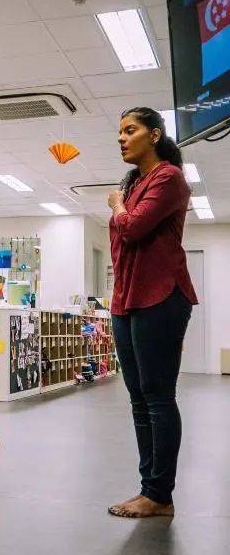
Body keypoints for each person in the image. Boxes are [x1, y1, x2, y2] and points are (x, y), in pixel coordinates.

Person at [106, 107, 197, 518]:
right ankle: (150, 490)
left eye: (131, 130)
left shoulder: (169, 178)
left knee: (158, 399)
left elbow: (134, 228)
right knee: (139, 400)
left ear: (155, 134)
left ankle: (160, 493)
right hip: (126, 299)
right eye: (120, 132)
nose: (122, 138)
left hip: (161, 296)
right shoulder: (136, 182)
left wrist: (116, 206)